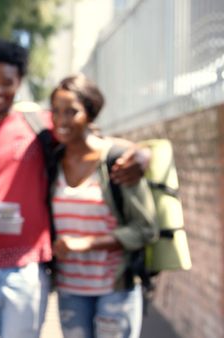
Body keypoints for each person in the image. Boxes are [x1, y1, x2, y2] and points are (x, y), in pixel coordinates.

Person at [0, 40, 145, 338]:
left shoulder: (43, 125)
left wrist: (141, 155)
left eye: (7, 82)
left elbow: (99, 145)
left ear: (19, 82)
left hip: (27, 270)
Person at [49, 74, 157, 338]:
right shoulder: (53, 161)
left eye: (71, 112)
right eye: (56, 112)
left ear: (90, 113)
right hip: (70, 289)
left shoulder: (118, 163)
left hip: (115, 288)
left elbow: (146, 229)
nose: (61, 121)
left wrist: (87, 243)